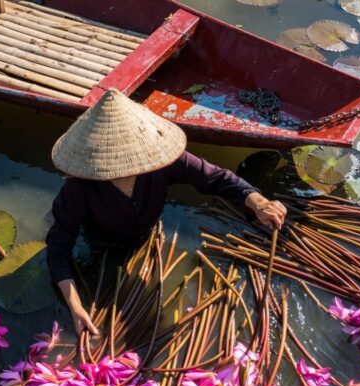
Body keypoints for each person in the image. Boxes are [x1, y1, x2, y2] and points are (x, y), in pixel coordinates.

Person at [46, 90, 287, 337]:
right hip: (100, 243)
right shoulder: (78, 188)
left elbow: (214, 177)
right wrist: (76, 307)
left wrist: (257, 201)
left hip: (147, 233)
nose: (125, 168)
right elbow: (57, 251)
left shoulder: (161, 162)